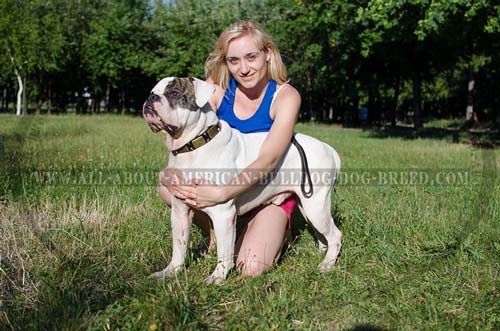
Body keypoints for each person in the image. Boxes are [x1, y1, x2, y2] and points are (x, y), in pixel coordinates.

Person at [157, 20, 301, 277]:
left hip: (268, 191)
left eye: (251, 57)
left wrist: (222, 193)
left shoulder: (286, 96)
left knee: (251, 266)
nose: (243, 69)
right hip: (225, 190)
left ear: (267, 53)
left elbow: (269, 159)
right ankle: (218, 232)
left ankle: (274, 231)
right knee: (169, 187)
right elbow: (188, 134)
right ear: (226, 61)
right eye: (234, 60)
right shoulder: (216, 88)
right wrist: (170, 171)